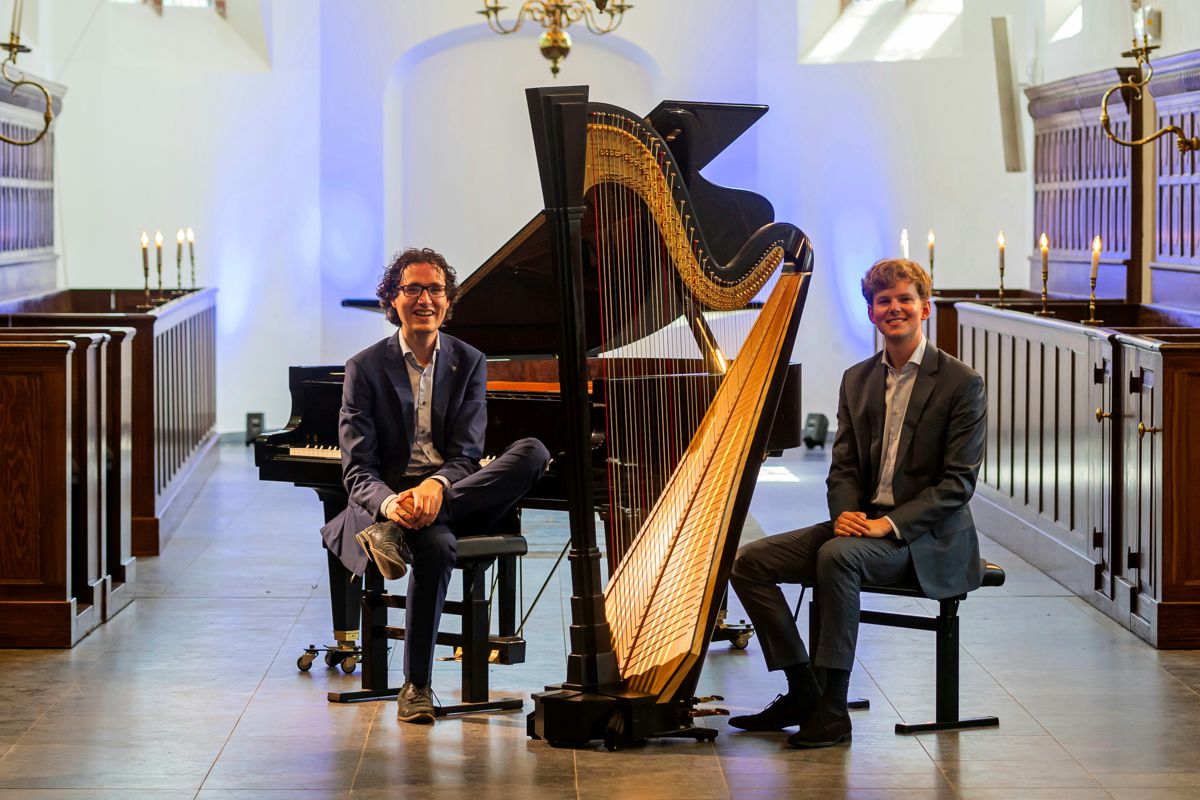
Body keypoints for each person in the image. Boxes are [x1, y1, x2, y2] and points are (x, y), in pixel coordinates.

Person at [728, 258, 986, 748]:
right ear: (871, 313)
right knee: (749, 562)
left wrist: (889, 525)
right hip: (862, 526)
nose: (894, 308)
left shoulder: (961, 383)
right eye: (883, 301)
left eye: (905, 299)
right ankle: (803, 688)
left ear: (925, 308)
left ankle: (833, 709)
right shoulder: (857, 379)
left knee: (836, 556)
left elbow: (958, 484)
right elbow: (843, 466)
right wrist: (845, 512)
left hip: (925, 538)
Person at [320, 247, 550, 725]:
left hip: (449, 492)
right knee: (437, 547)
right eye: (412, 289)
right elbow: (357, 469)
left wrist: (437, 488)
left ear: (448, 300)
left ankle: (403, 530)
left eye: (435, 289)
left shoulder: (469, 361)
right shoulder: (365, 367)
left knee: (533, 451)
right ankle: (417, 687)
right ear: (393, 299)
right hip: (394, 499)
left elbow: (467, 453)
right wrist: (392, 506)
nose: (425, 299)